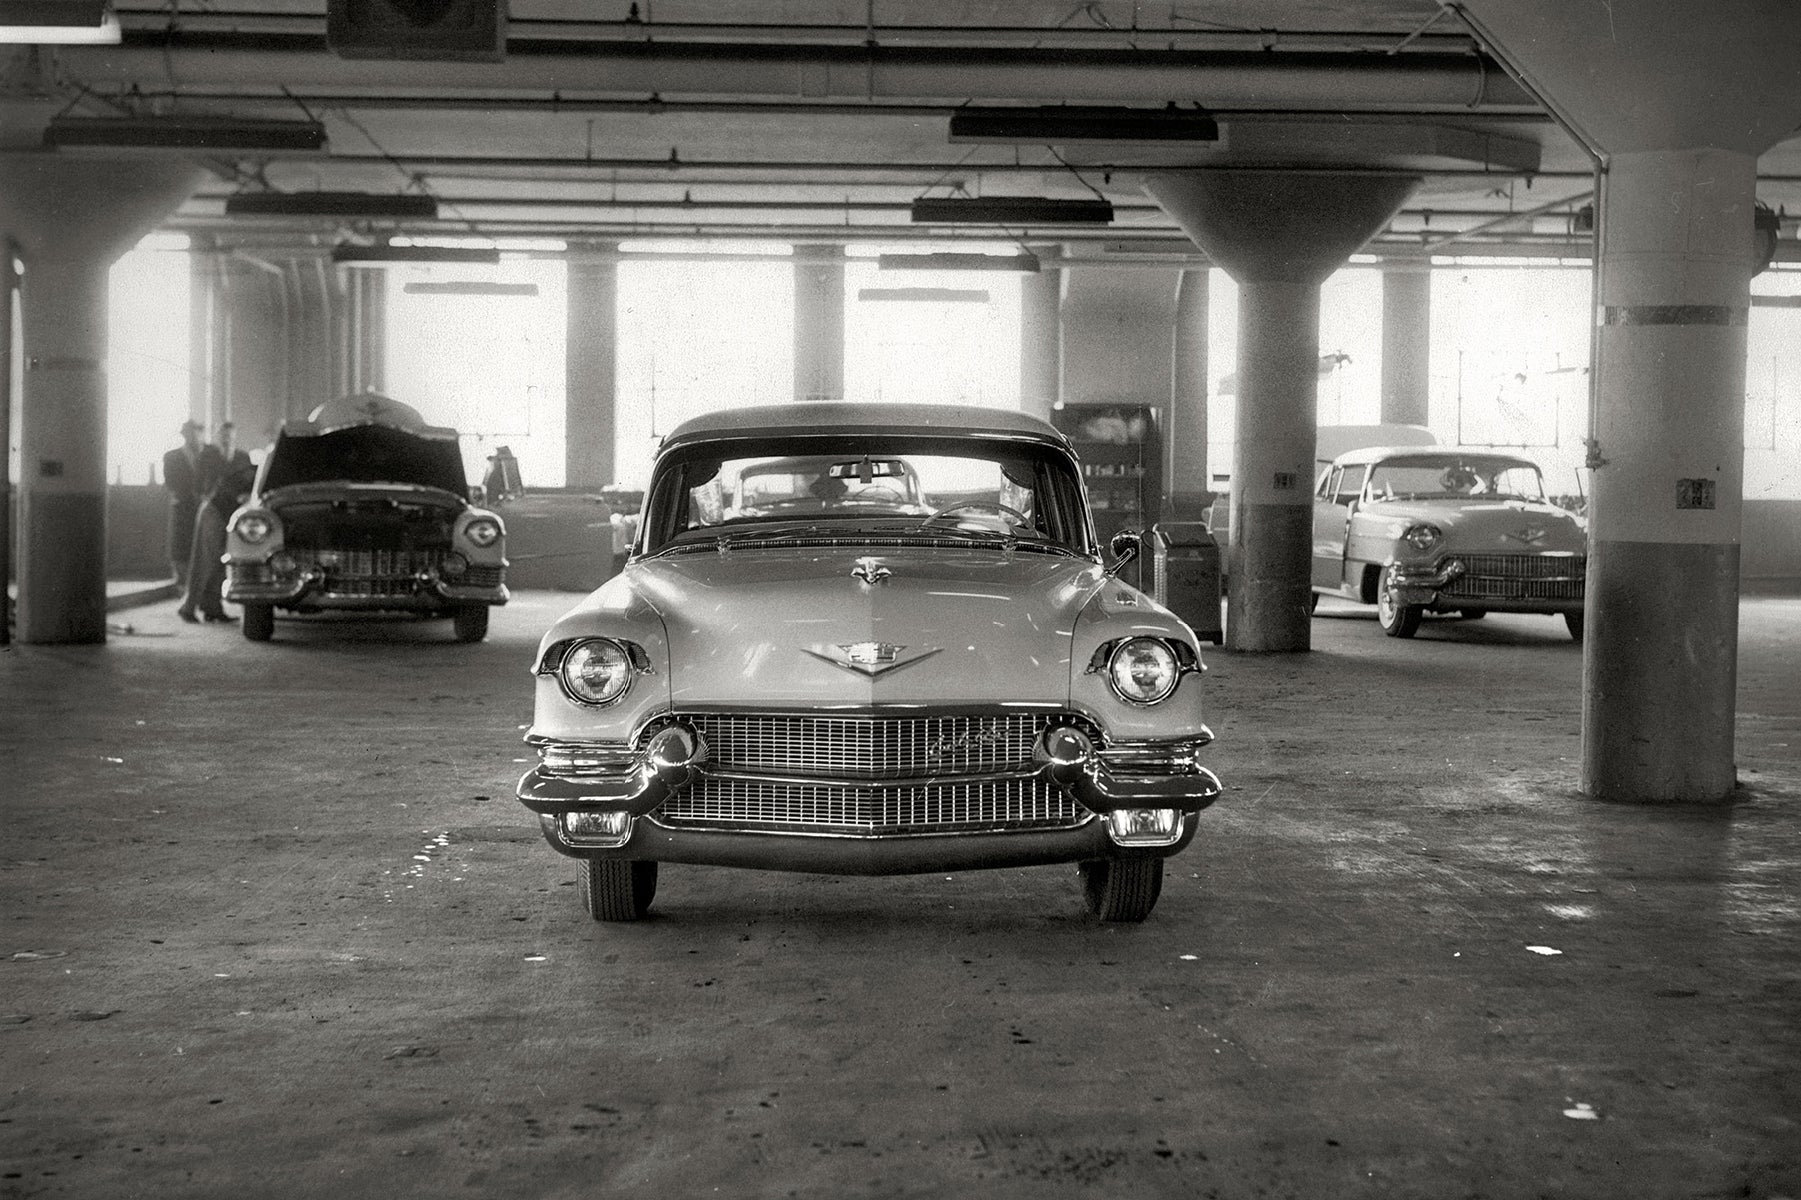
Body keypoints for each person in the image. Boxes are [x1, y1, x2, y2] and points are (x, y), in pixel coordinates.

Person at [177, 458, 256, 625]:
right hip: (215, 512)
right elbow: (227, 486)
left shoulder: (252, 472)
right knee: (204, 562)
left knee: (221, 562)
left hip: (224, 514)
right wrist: (241, 497)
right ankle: (187, 608)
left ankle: (212, 608)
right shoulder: (252, 473)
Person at [161, 420, 206, 585]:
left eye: (197, 432)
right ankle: (182, 581)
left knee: (203, 544)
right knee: (181, 544)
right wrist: (188, 495)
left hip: (204, 506)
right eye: (190, 433)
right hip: (183, 506)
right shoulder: (172, 456)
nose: (194, 436)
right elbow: (170, 482)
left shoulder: (208, 455)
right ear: (184, 435)